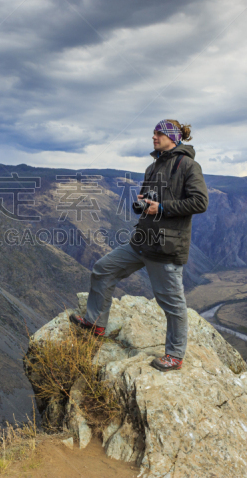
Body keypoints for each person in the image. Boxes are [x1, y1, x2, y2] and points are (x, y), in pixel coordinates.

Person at [70, 119, 209, 371]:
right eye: (154, 133)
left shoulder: (188, 165)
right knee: (103, 269)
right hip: (142, 241)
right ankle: (96, 323)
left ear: (172, 138)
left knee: (172, 302)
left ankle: (175, 356)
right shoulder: (153, 166)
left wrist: (164, 208)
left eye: (158, 134)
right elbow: (151, 201)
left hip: (166, 247)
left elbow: (200, 202)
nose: (153, 137)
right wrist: (143, 204)